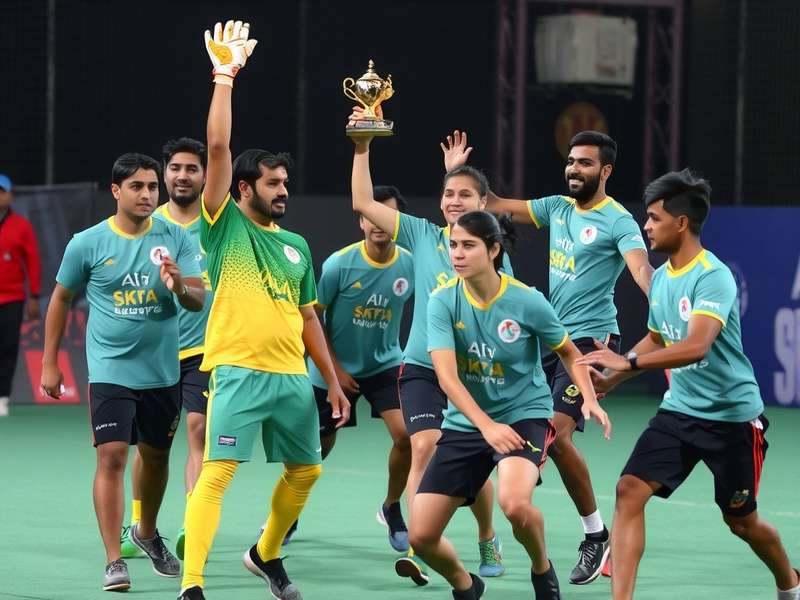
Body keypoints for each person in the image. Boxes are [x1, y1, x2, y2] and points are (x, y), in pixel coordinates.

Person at [178, 20, 350, 600]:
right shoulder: (223, 225)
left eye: (286, 182)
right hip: (236, 371)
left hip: (291, 379)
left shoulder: (297, 245)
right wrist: (225, 77)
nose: (283, 190)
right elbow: (220, 148)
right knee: (217, 474)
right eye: (272, 183)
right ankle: (193, 582)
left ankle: (265, 553)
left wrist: (330, 382)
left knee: (308, 471)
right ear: (244, 189)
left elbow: (308, 319)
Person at [577, 168, 800, 600]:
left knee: (741, 522)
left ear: (681, 222)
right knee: (628, 491)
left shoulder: (712, 275)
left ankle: (789, 583)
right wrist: (613, 379)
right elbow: (660, 337)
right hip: (679, 413)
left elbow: (696, 345)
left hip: (732, 421)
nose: (646, 226)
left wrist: (628, 360)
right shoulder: (661, 279)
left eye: (655, 218)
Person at [443, 129, 652, 584]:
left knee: (555, 431)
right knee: (545, 434)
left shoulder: (619, 221)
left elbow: (639, 267)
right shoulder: (557, 207)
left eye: (586, 163)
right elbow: (494, 204)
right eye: (572, 161)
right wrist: (457, 174)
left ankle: (594, 535)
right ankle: (574, 515)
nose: (575, 169)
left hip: (591, 345)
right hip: (546, 340)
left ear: (606, 171)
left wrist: (662, 293)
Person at [412, 210, 610, 600]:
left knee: (516, 506)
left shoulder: (527, 301)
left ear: (494, 250)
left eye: (468, 245)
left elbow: (569, 352)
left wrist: (588, 397)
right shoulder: (443, 302)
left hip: (524, 415)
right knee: (421, 537)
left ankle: (541, 568)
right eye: (453, 244)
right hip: (469, 423)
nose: (457, 253)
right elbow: (447, 378)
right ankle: (466, 586)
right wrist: (485, 426)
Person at [349, 108, 511, 585]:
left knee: (471, 461)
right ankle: (422, 547)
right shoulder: (419, 234)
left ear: (485, 202)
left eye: (465, 195)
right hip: (421, 367)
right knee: (424, 446)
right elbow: (362, 200)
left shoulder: (491, 256)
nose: (454, 201)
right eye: (447, 194)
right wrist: (362, 147)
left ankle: (486, 535)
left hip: (471, 376)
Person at [40, 153, 205, 591]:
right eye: (137, 186)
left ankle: (147, 533)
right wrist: (49, 361)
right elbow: (60, 299)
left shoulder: (178, 238)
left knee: (155, 457)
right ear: (116, 191)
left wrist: (178, 285)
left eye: (153, 186)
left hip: (163, 372)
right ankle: (115, 558)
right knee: (112, 456)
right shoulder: (88, 242)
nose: (148, 194)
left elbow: (197, 299)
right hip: (111, 369)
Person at [300, 185, 414, 550]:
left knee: (407, 437)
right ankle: (289, 513)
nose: (378, 223)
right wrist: (334, 371)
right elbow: (313, 321)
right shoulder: (339, 264)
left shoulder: (411, 263)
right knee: (316, 448)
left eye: (387, 216)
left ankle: (392, 507)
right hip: (333, 370)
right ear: (361, 221)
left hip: (384, 365)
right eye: (371, 215)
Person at [121, 138, 212, 561]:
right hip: (155, 354)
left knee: (198, 434)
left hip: (203, 350)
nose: (182, 175)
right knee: (150, 449)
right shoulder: (147, 220)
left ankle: (192, 524)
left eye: (192, 168)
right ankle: (141, 525)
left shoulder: (218, 225)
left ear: (205, 175)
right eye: (175, 167)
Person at [0, 173, 41, 416]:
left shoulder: (22, 226)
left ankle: (2, 397)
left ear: (10, 195)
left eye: (2, 191)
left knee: (7, 347)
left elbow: (33, 262)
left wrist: (34, 295)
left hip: (12, 298)